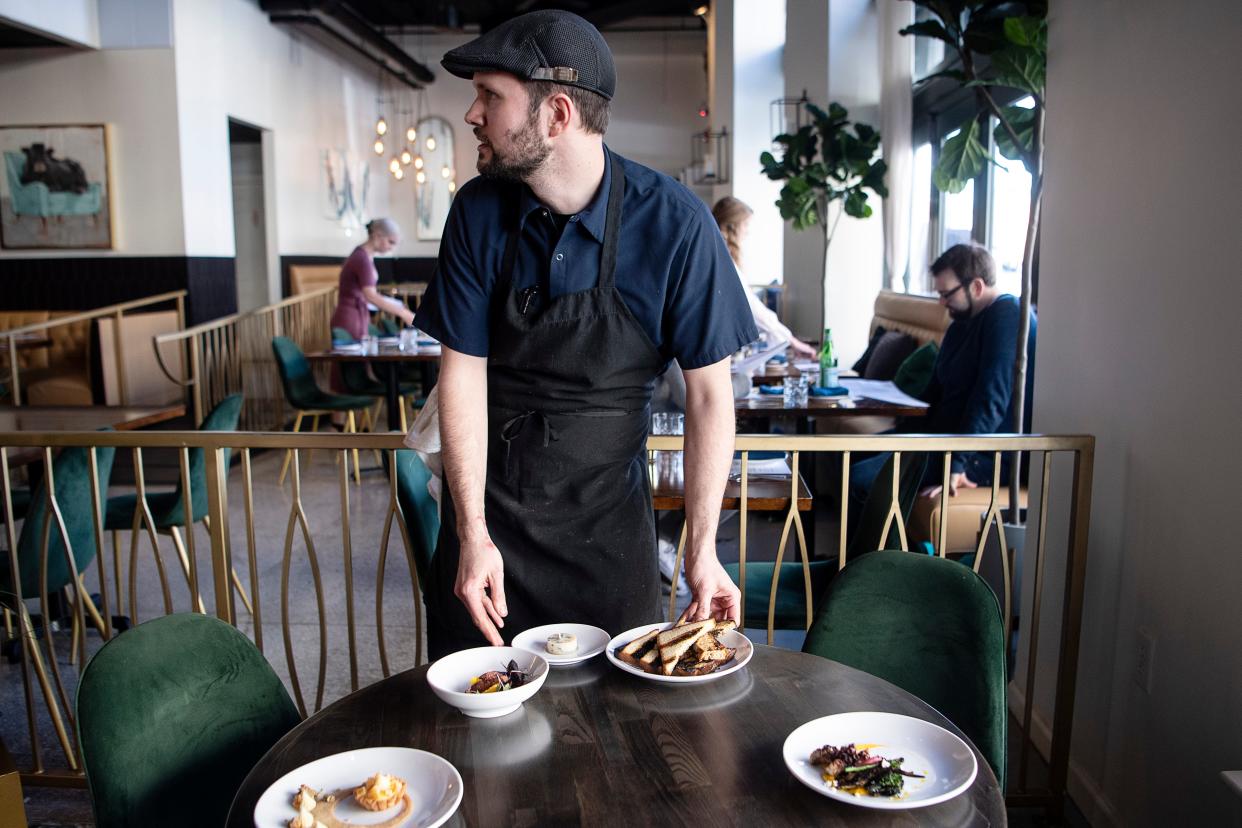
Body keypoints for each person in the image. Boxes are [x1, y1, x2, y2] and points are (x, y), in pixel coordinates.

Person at [414, 10, 758, 658]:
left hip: (611, 546)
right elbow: (460, 376)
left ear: (558, 114)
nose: (472, 113)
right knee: (481, 736)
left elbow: (711, 397)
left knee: (614, 741)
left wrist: (704, 549)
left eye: (490, 96)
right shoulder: (476, 212)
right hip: (491, 539)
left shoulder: (677, 226)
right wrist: (470, 532)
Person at [849, 242, 1037, 505]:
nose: (941, 302)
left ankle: (877, 547)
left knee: (861, 478)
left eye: (947, 294)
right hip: (940, 439)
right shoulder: (961, 321)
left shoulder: (1008, 315)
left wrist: (957, 464)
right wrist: (902, 423)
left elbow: (990, 400)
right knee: (850, 454)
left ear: (977, 287)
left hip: (983, 455)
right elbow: (937, 388)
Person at [711, 196, 817, 358]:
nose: (748, 231)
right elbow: (751, 306)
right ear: (731, 226)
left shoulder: (718, 254)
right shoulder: (723, 260)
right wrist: (791, 340)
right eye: (745, 224)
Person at [329, 218, 415, 341]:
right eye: (390, 242)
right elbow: (371, 296)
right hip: (351, 318)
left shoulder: (364, 255)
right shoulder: (362, 258)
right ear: (377, 235)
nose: (392, 248)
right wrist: (404, 313)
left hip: (357, 315)